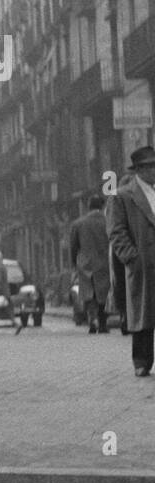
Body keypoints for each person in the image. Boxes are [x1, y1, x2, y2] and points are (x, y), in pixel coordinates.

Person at [106, 145, 155, 378]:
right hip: (142, 263)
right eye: (149, 167)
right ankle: (142, 361)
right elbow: (116, 231)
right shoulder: (123, 195)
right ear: (139, 170)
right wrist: (131, 258)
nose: (153, 171)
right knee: (143, 313)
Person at [70, 194, 112, 334]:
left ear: (88, 207)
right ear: (102, 205)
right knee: (103, 294)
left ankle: (92, 319)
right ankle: (103, 323)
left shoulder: (78, 224)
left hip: (85, 264)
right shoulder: (109, 221)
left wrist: (74, 263)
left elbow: (74, 247)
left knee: (89, 294)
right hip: (105, 263)